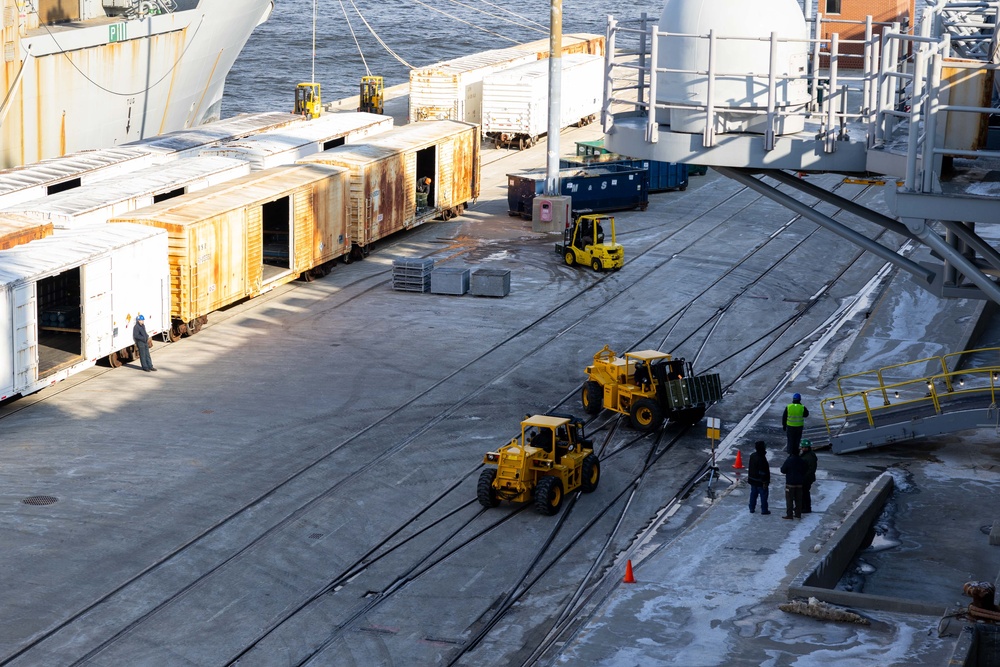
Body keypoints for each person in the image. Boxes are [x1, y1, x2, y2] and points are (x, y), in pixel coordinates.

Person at [779, 447, 807, 519]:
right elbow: (805, 470)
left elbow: (783, 470)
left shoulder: (789, 460)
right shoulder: (802, 460)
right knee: (798, 499)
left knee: (789, 499)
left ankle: (789, 514)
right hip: (799, 483)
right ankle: (798, 513)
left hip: (790, 483)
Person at [747, 440, 771, 515]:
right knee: (763, 496)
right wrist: (765, 481)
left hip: (752, 479)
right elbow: (763, 471)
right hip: (760, 481)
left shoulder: (753, 455)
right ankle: (764, 510)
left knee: (753, 494)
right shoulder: (762, 458)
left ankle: (751, 508)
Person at [800, 439, 818, 513]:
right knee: (803, 493)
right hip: (805, 477)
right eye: (803, 447)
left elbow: (811, 469)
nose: (804, 448)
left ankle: (806, 508)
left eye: (805, 447)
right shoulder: (807, 454)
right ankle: (803, 507)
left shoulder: (809, 456)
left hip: (806, 478)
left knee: (805, 493)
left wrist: (805, 477)